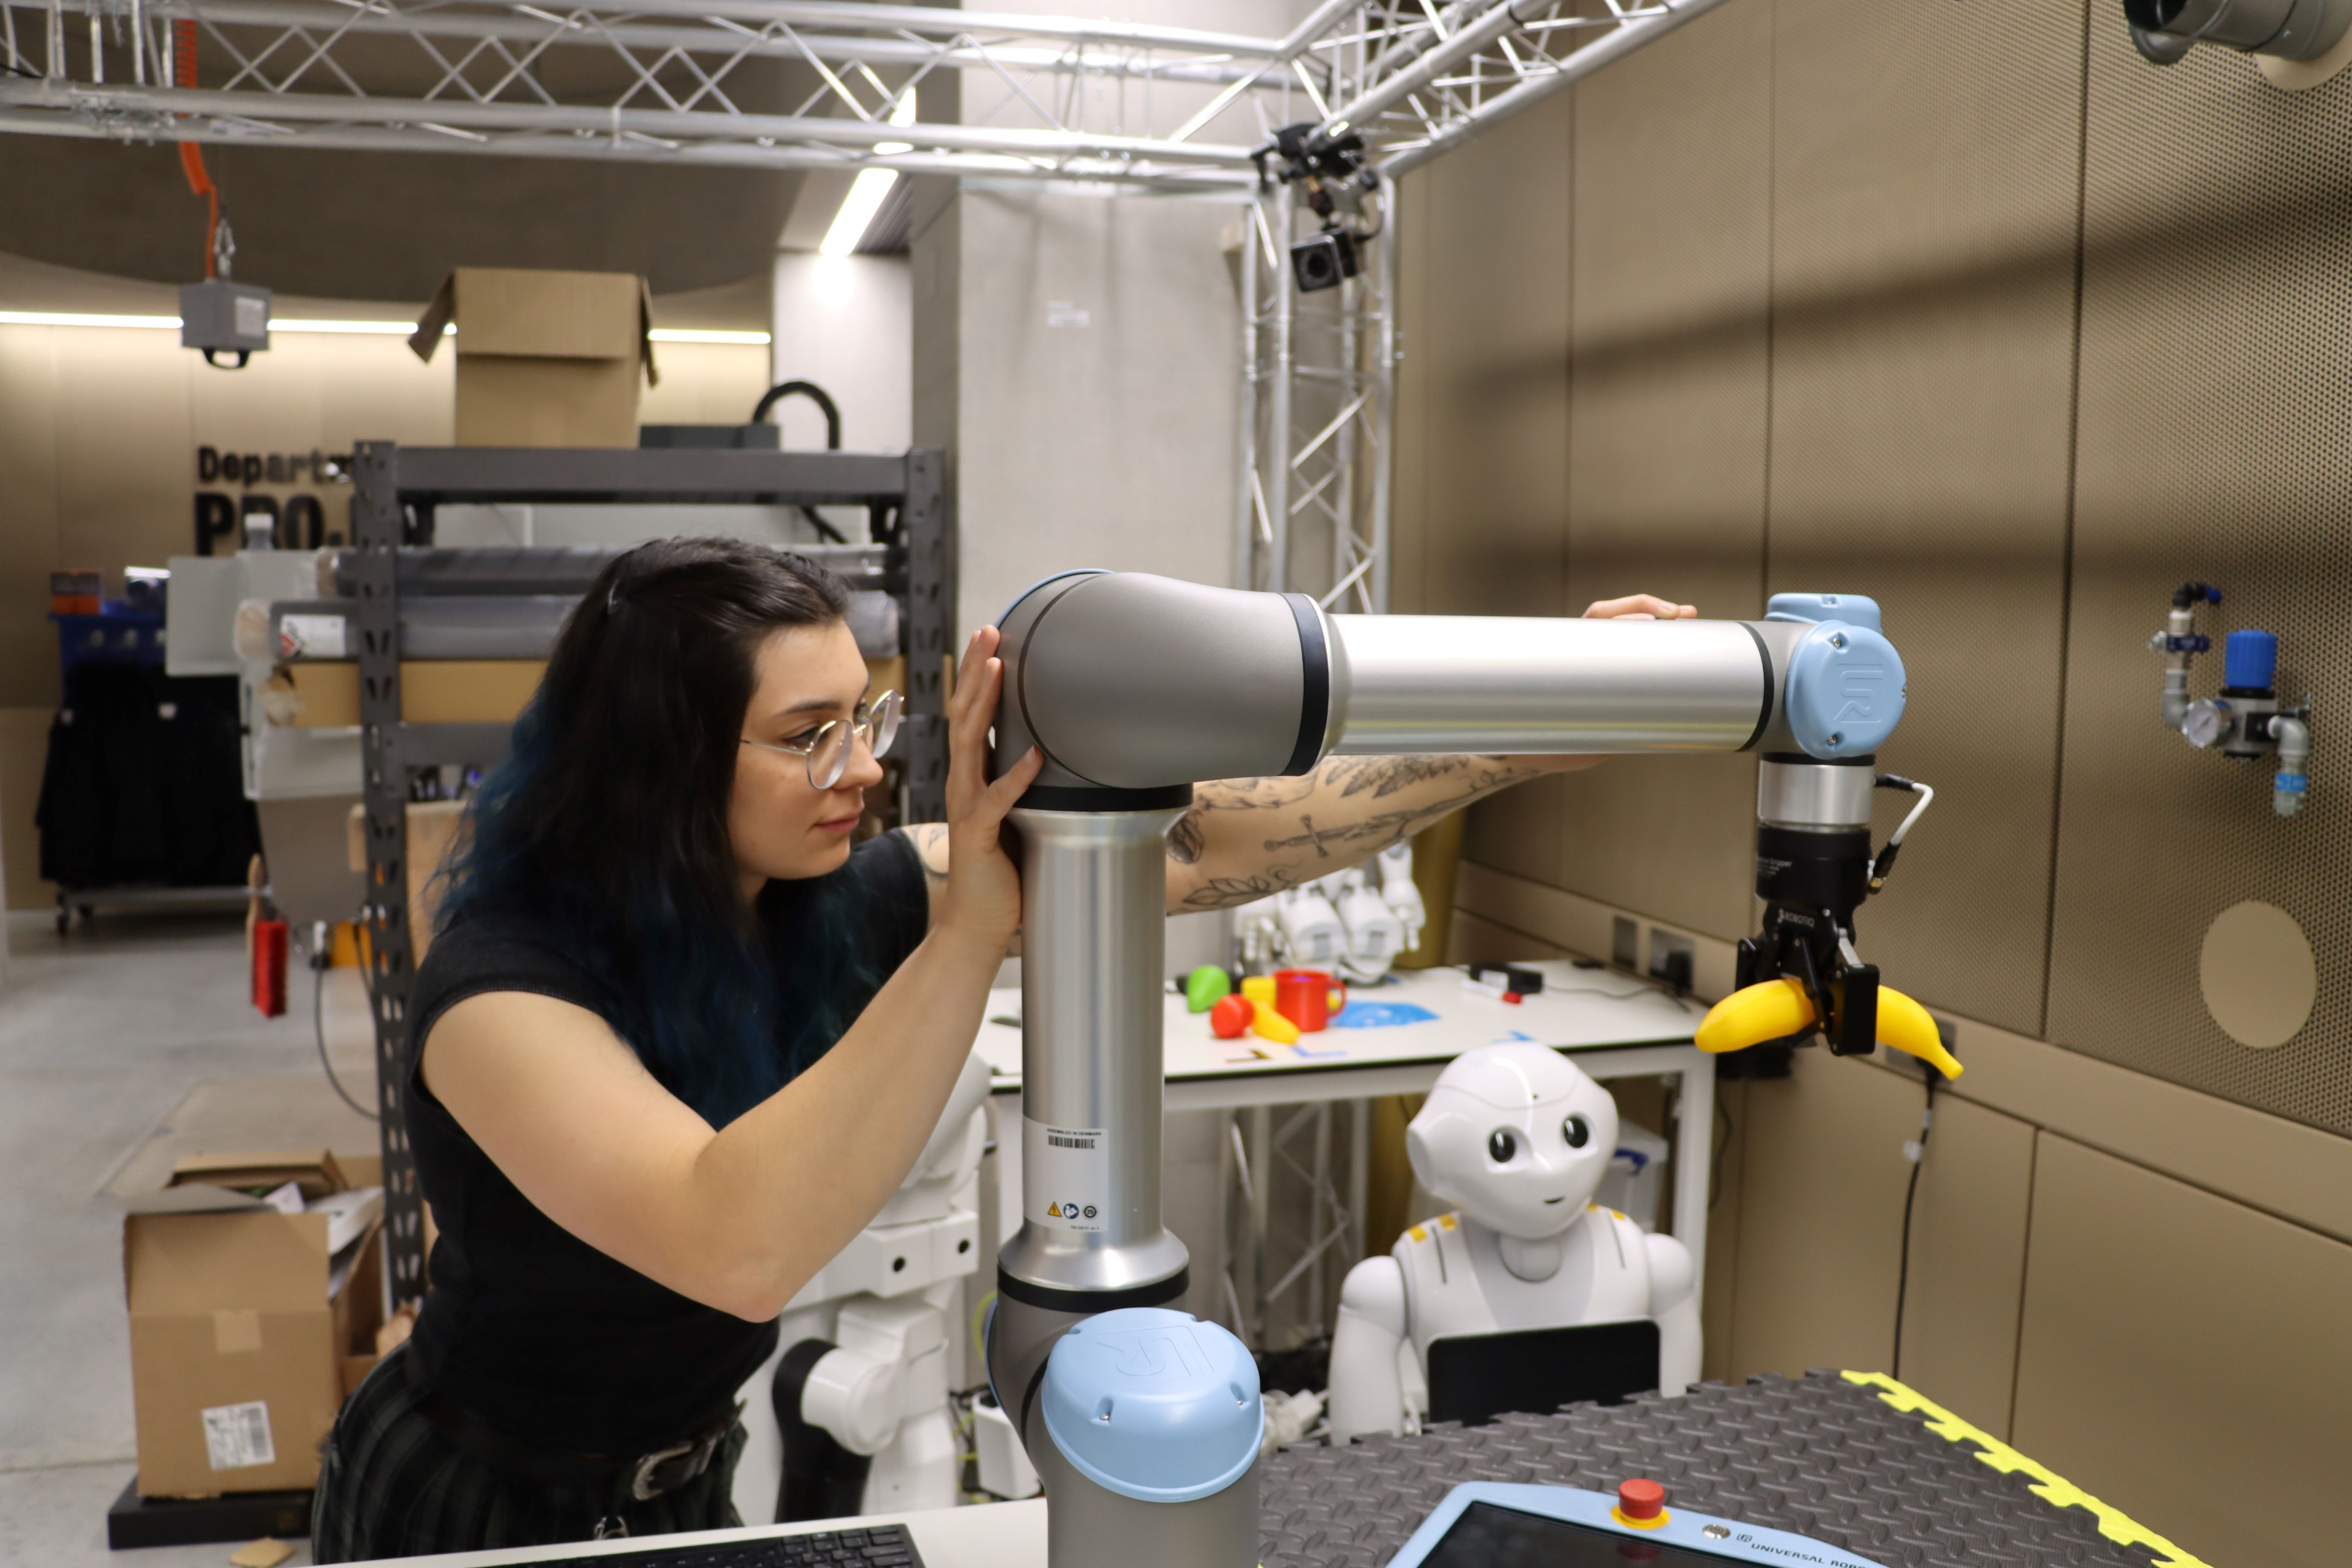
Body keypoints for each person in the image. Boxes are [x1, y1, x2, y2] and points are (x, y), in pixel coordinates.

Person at [310, 536, 1693, 1559]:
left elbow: (1201, 842)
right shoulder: (503, 996)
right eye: (809, 736)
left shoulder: (818, 897)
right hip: (479, 1503)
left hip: (679, 1481)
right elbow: (733, 1240)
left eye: (868, 716)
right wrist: (967, 932)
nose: (862, 766)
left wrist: (1527, 725)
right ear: (661, 763)